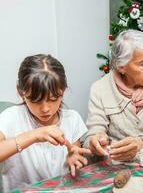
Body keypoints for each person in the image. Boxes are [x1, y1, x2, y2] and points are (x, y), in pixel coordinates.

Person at [0, 54, 90, 192]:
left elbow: (76, 156)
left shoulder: (72, 119)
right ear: (21, 92)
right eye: (36, 101)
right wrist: (35, 135)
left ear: (63, 91)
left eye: (54, 99)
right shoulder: (11, 117)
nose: (46, 109)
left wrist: (74, 159)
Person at [83, 29, 143, 162]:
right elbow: (94, 131)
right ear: (121, 66)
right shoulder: (100, 89)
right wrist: (96, 140)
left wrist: (141, 141)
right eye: (142, 64)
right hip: (117, 164)